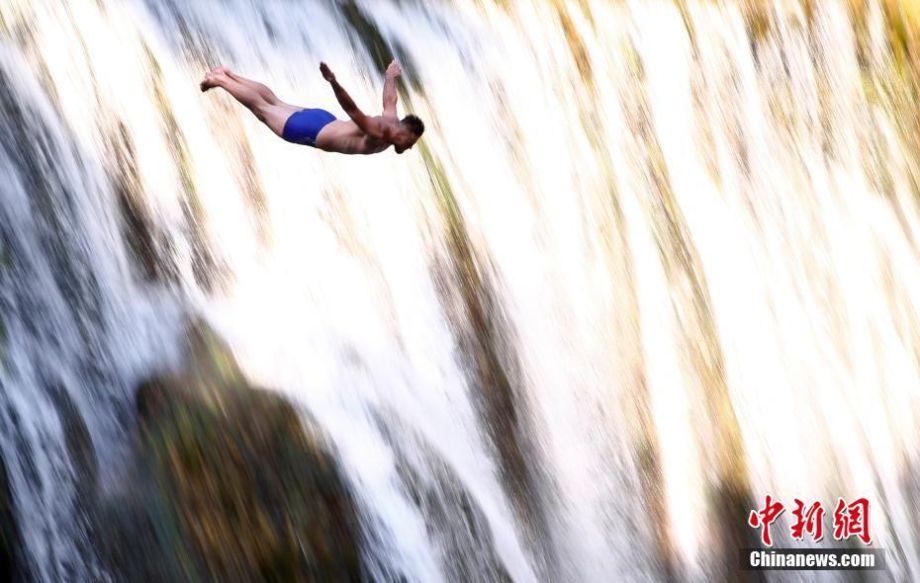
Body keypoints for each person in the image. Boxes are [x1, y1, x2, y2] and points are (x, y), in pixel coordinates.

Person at [200, 60, 424, 155]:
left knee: (274, 102)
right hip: (311, 131)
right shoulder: (380, 132)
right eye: (409, 141)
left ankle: (227, 74)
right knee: (262, 109)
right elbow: (353, 111)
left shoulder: (392, 121)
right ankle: (221, 81)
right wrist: (333, 82)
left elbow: (390, 101)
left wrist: (390, 76)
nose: (409, 147)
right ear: (402, 131)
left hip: (324, 120)